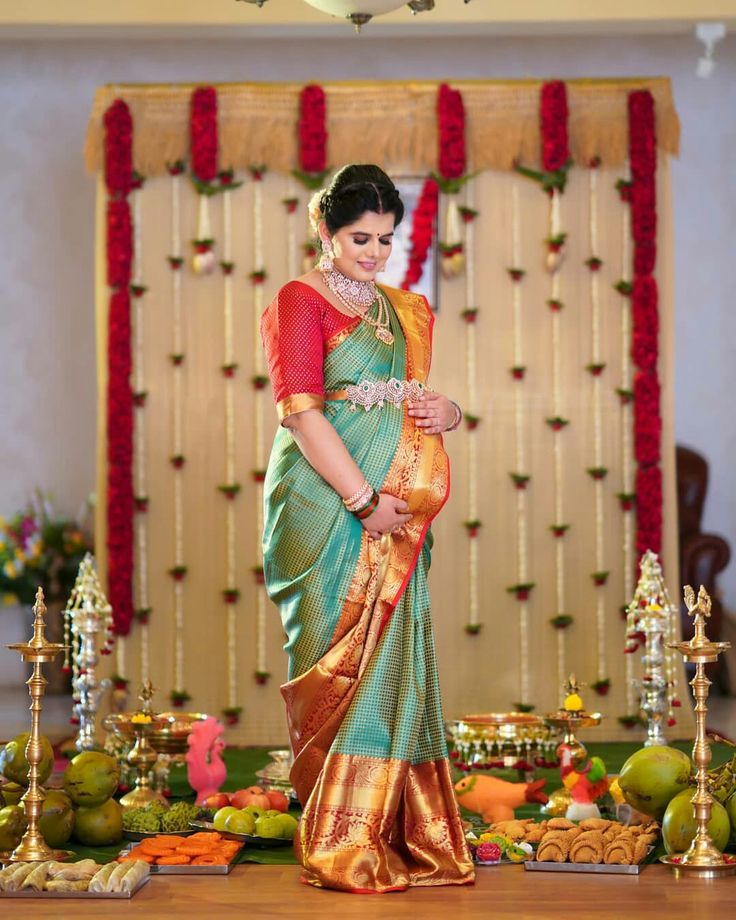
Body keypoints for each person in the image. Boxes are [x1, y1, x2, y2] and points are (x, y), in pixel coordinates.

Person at [260, 164, 474, 893]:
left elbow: (414, 399)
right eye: (360, 238)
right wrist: (360, 501)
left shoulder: (401, 308)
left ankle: (390, 829)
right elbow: (302, 412)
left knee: (392, 660)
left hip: (395, 514)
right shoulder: (298, 300)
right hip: (326, 509)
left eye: (385, 239)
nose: (375, 253)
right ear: (325, 228)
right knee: (334, 658)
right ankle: (338, 838)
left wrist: (449, 414)